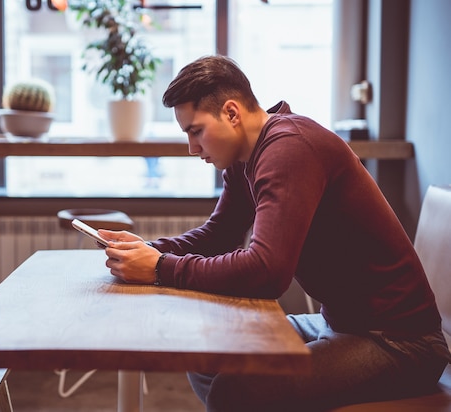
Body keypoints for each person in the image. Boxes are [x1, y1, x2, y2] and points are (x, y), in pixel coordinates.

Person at [97, 55, 451, 411]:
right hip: (340, 324)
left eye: (196, 130)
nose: (192, 148)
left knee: (235, 392)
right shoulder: (245, 159)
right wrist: (146, 250)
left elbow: (267, 271)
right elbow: (219, 234)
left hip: (398, 343)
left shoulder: (288, 149)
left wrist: (161, 268)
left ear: (232, 114)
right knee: (206, 355)